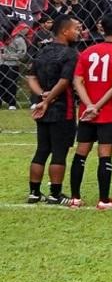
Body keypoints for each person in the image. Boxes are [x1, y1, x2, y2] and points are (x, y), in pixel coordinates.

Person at [70, 13, 112, 209]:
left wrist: (88, 104)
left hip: (86, 112)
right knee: (105, 155)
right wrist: (98, 105)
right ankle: (103, 200)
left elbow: (77, 81)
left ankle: (75, 197)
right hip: (107, 112)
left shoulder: (87, 52)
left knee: (81, 153)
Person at [26, 15, 81, 205]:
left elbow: (31, 77)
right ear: (65, 31)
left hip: (42, 109)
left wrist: (41, 96)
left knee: (42, 149)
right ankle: (55, 194)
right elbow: (64, 81)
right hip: (61, 109)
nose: (78, 32)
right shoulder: (71, 54)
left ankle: (34, 192)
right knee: (59, 151)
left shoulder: (42, 51)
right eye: (76, 28)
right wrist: (48, 100)